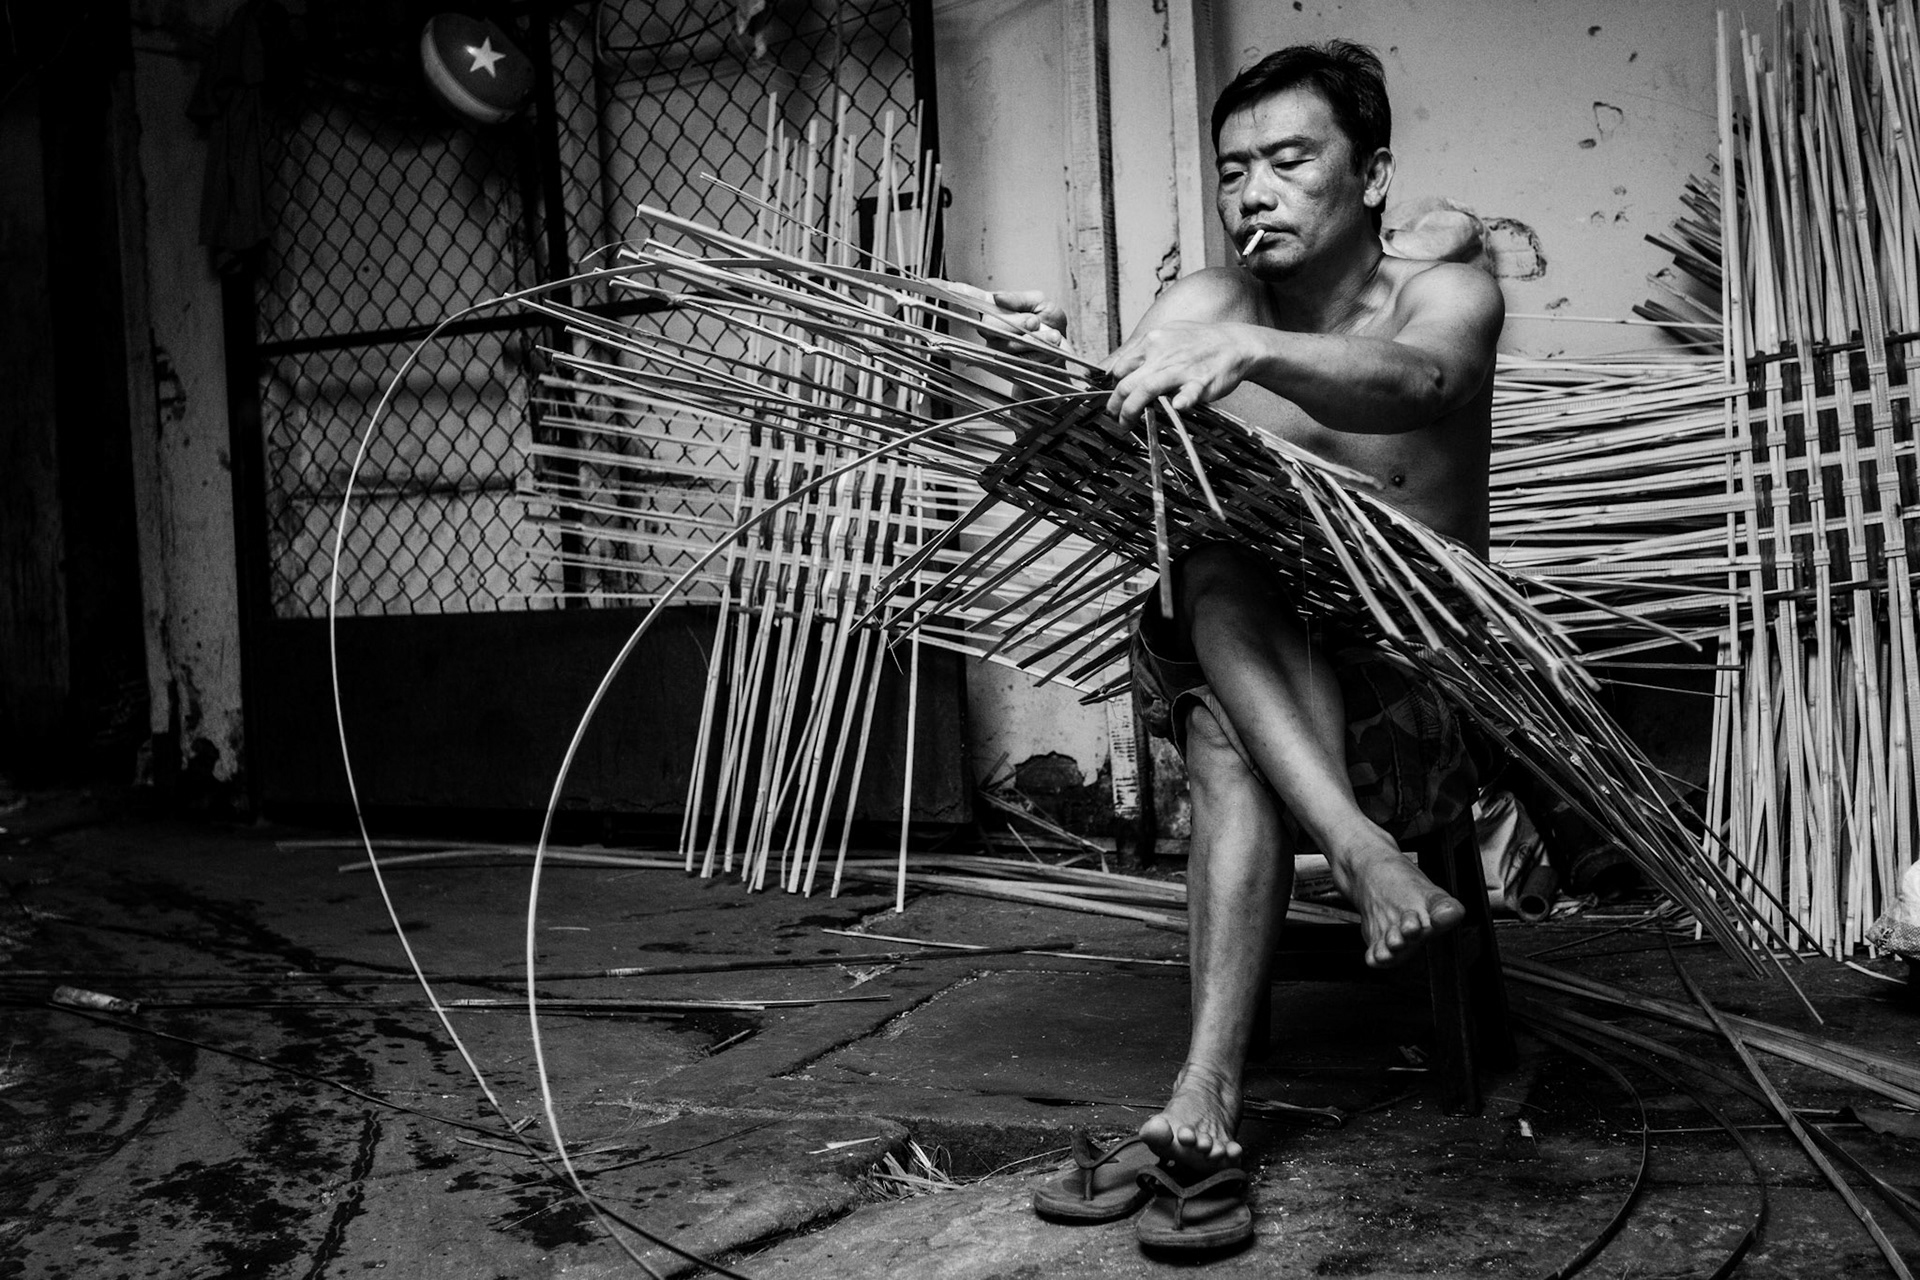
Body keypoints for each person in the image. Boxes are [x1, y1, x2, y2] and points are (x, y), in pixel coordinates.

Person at [996, 40, 1505, 1185]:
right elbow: (1132, 388)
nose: (1252, 193)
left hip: (1426, 691)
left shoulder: (1447, 291)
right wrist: (1042, 366)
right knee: (1217, 572)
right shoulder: (1215, 297)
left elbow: (1424, 379)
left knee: (1229, 724)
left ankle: (1211, 1079)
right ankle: (1352, 872)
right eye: (1233, 170)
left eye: (1287, 160)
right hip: (1257, 651)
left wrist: (1257, 351)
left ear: (1371, 174)